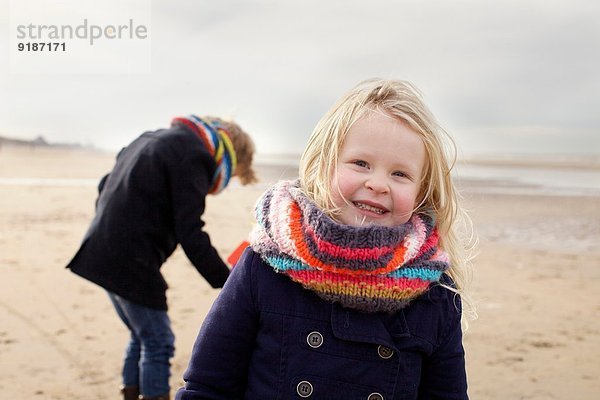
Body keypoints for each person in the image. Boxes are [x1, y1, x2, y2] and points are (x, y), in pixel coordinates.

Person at [175, 78, 476, 400]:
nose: (378, 183)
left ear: (421, 192)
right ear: (325, 166)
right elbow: (208, 386)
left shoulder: (436, 294)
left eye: (400, 174)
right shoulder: (265, 264)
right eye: (361, 163)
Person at [66, 115, 257, 400]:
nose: (224, 183)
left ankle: (130, 393)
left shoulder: (151, 138)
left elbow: (104, 185)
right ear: (232, 154)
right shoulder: (194, 155)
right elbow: (190, 231)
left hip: (99, 249)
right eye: (233, 174)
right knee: (159, 341)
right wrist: (230, 282)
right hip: (130, 261)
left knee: (141, 335)